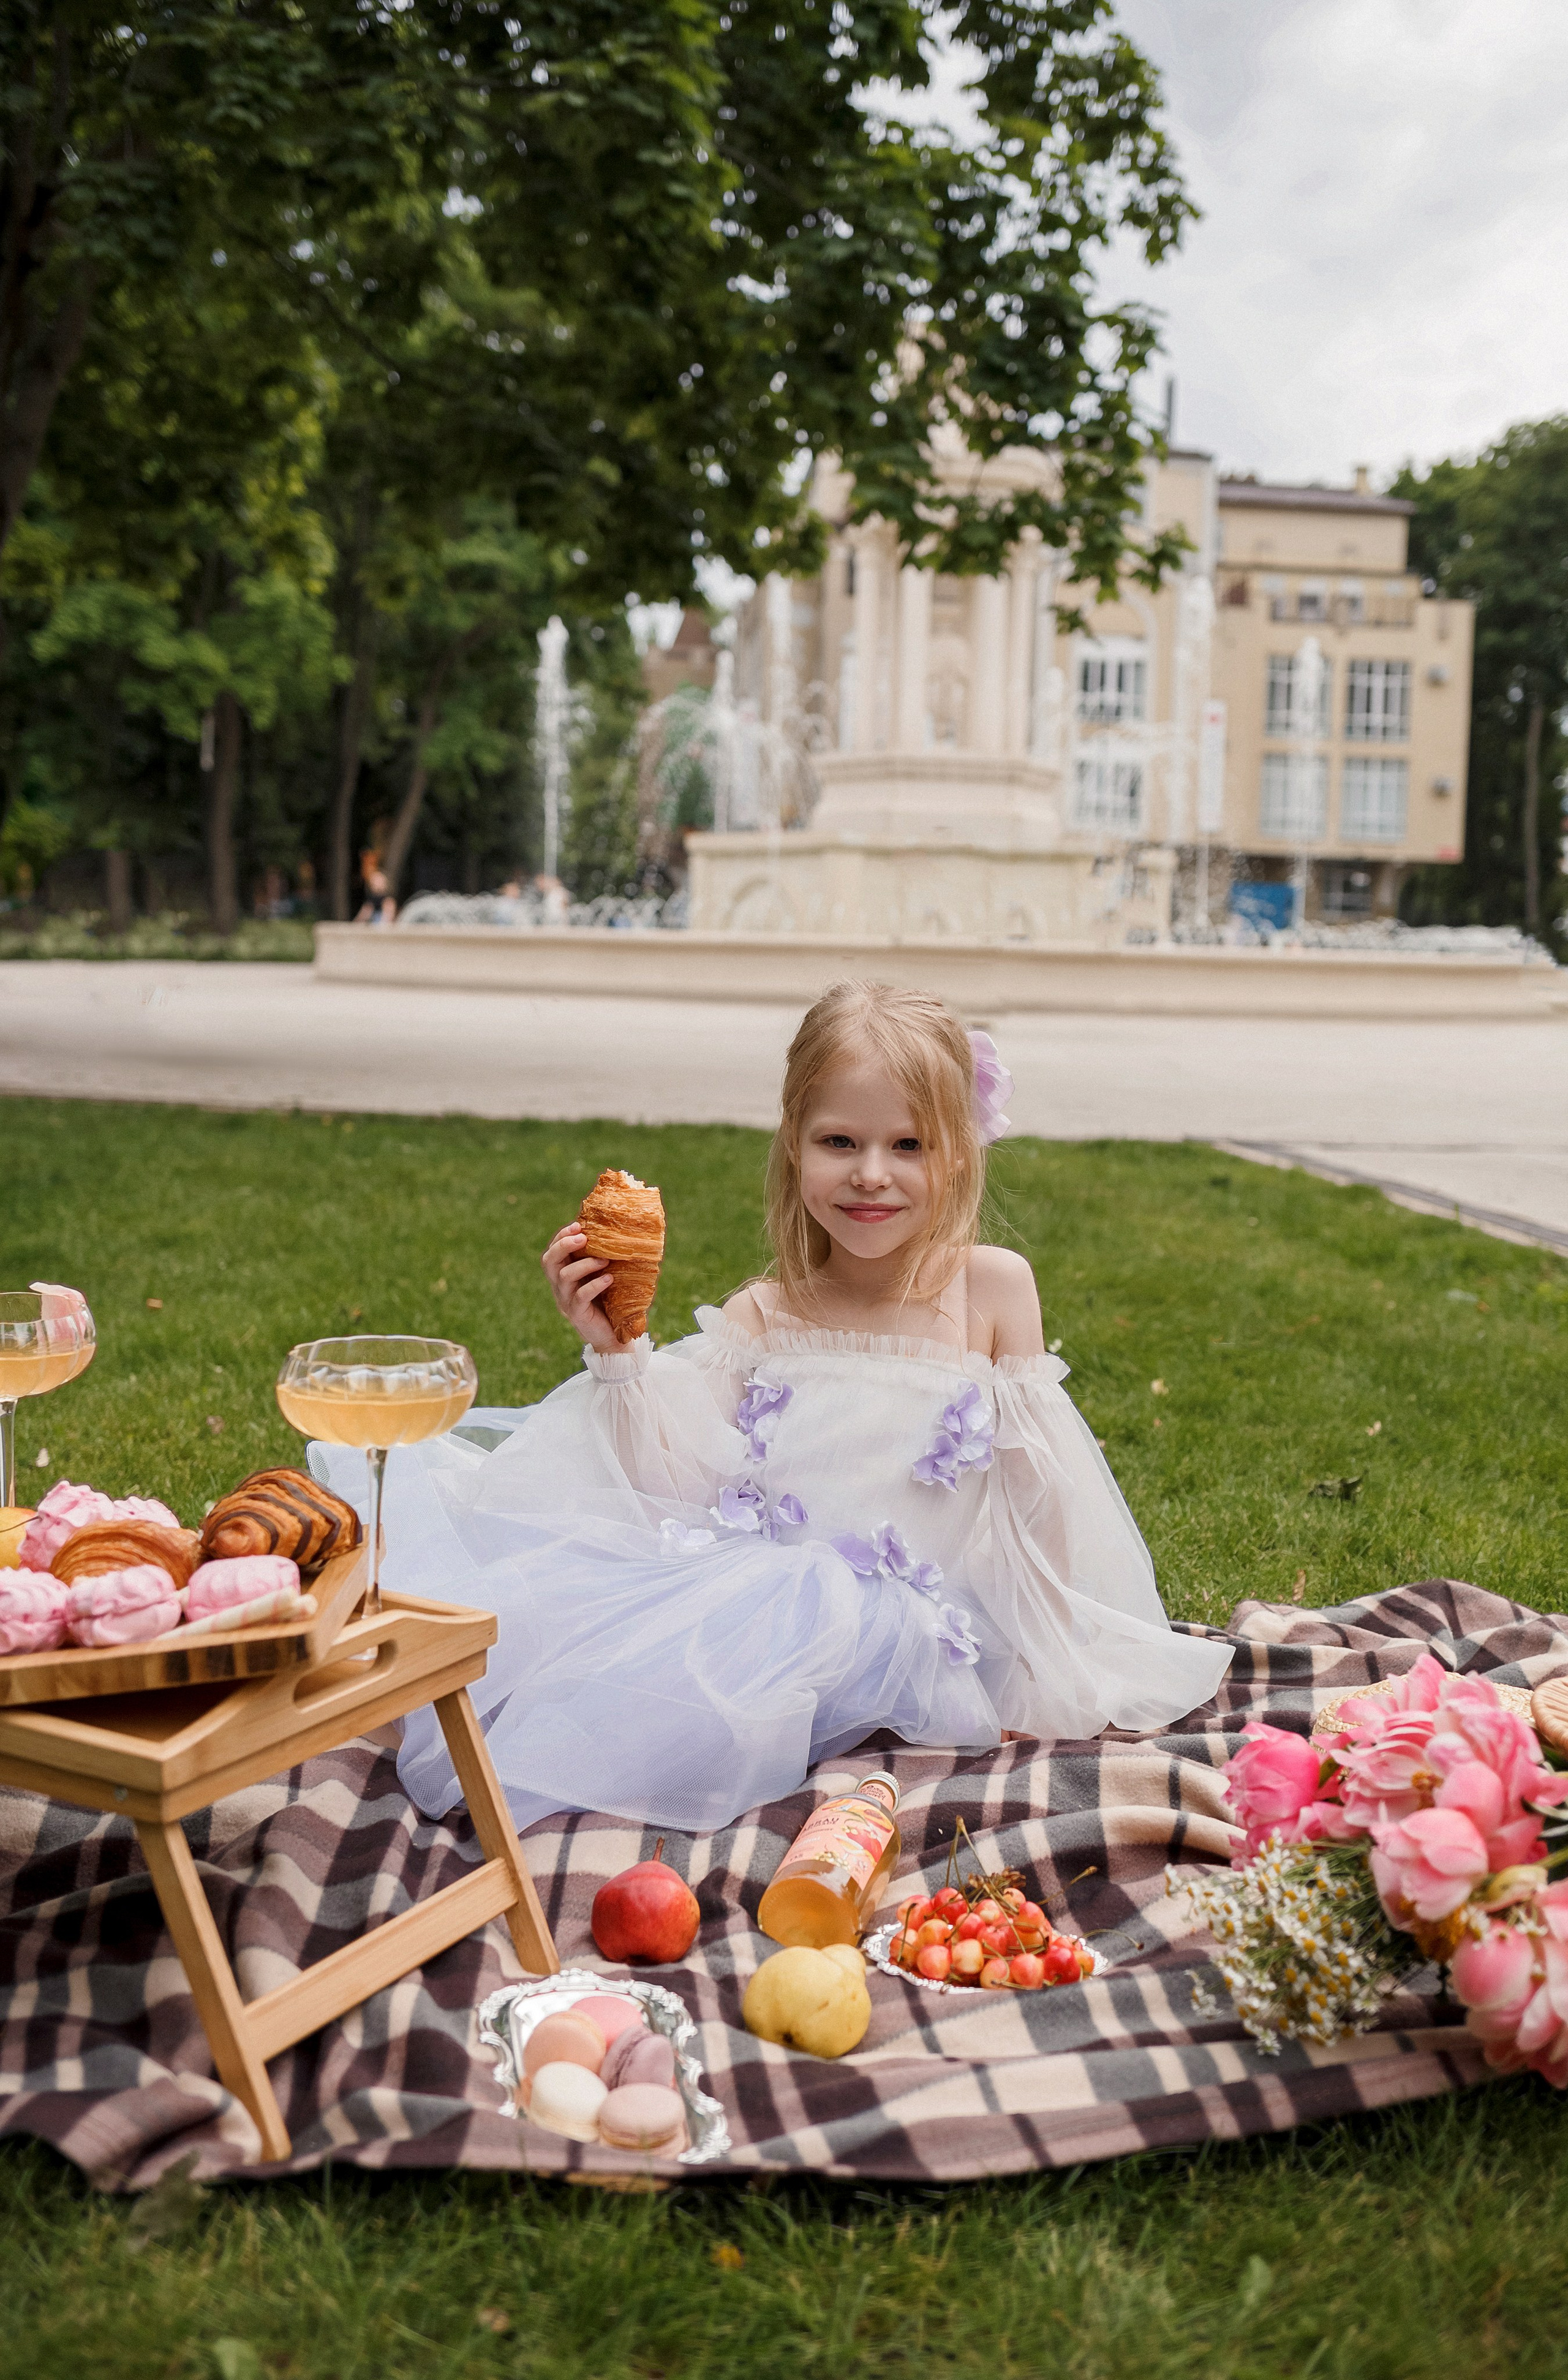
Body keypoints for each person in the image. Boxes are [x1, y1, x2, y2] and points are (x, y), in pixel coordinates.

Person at [322, 981, 1230, 1834]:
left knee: (809, 1616)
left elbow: (1041, 1505)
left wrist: (1044, 1667)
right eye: (841, 1142)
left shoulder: (992, 1290)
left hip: (921, 1634)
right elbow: (674, 1481)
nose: (872, 1173)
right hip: (765, 1609)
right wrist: (616, 1349)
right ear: (795, 1144)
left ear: (955, 1153)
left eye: (907, 1145)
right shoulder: (767, 1312)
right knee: (651, 1663)